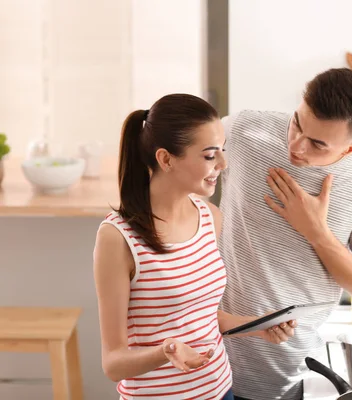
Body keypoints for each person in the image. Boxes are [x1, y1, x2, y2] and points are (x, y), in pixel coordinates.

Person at [93, 94, 296, 400]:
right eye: (209, 155)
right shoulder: (119, 238)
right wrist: (166, 351)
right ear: (166, 159)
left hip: (220, 390)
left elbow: (202, 316)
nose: (223, 165)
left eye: (222, 151)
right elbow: (113, 364)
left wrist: (258, 326)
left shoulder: (210, 217)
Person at [217, 68, 352, 399]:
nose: (297, 146)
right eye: (297, 124)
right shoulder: (244, 130)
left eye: (318, 144)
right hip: (206, 355)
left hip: (286, 372)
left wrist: (316, 231)